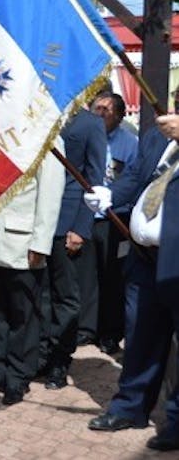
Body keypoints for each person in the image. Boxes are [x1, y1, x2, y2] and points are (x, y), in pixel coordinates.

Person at [84, 114, 179, 452]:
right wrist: (109, 194)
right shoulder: (156, 137)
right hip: (144, 259)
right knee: (139, 335)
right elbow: (138, 175)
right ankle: (130, 407)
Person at [0, 148, 65, 405]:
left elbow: (50, 194)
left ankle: (18, 377)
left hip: (22, 241)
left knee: (23, 316)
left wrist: (41, 243)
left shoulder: (46, 133)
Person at [39, 108, 106, 390]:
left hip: (67, 222)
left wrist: (81, 226)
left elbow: (95, 180)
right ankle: (39, 355)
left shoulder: (90, 124)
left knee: (65, 297)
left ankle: (59, 361)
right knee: (39, 295)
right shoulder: (40, 111)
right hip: (37, 219)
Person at [77, 92, 138, 355]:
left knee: (113, 276)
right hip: (88, 217)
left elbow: (135, 179)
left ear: (120, 115)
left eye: (106, 110)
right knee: (86, 276)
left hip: (117, 218)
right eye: (96, 108)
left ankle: (111, 332)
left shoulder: (130, 143)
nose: (100, 114)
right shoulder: (85, 138)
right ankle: (86, 329)